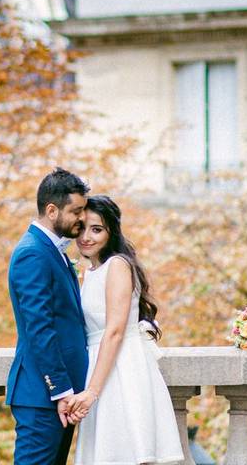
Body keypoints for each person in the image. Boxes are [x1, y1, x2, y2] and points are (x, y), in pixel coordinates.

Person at [67, 195, 184, 465]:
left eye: (96, 229)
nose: (86, 236)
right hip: (101, 364)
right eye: (82, 228)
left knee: (124, 451)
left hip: (121, 368)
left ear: (111, 231)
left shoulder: (117, 265)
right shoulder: (92, 271)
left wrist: (91, 392)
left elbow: (115, 331)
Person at [7, 168, 91, 465]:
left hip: (57, 399)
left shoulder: (52, 251)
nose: (82, 219)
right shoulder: (33, 253)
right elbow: (39, 328)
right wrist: (62, 391)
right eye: (76, 211)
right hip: (43, 398)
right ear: (52, 210)